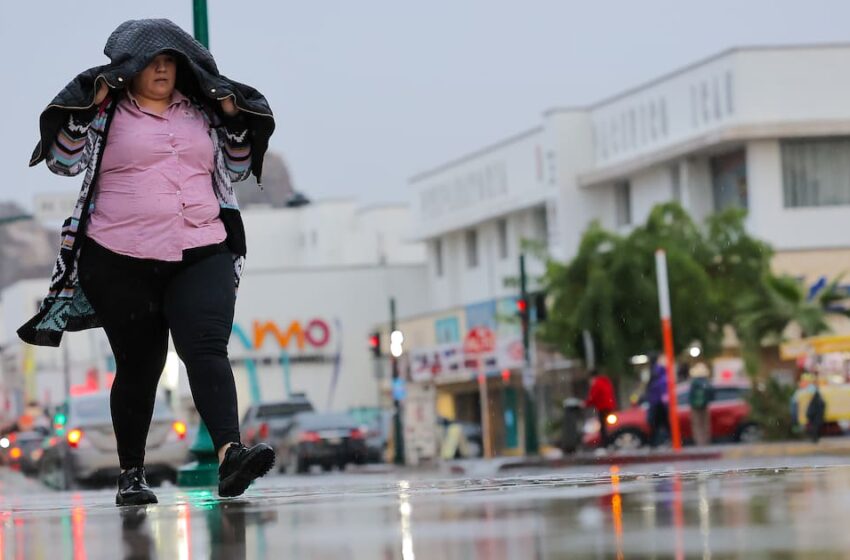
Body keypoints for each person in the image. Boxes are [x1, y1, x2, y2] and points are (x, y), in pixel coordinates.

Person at [18, 19, 277, 506]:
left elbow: (239, 166)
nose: (162, 68)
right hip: (120, 256)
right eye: (152, 60)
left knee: (205, 347)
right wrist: (85, 107)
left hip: (203, 247)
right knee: (140, 365)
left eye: (170, 60)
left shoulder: (201, 111)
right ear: (130, 68)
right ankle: (132, 473)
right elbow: (64, 161)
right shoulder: (107, 112)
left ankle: (230, 455)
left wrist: (234, 116)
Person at [584, 370, 617, 448]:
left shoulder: (597, 384)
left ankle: (605, 444)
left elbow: (593, 397)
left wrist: (585, 404)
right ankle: (610, 442)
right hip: (610, 406)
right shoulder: (605, 381)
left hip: (603, 407)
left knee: (603, 427)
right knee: (608, 426)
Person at [645, 355, 670, 448]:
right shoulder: (660, 374)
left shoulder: (656, 374)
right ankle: (657, 442)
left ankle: (654, 443)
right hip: (659, 404)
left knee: (656, 424)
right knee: (663, 424)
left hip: (657, 403)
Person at [688, 363, 715, 446]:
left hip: (695, 406)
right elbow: (712, 393)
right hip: (705, 405)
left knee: (697, 424)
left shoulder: (694, 382)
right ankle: (706, 441)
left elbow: (690, 395)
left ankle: (700, 442)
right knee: (705, 424)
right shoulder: (706, 382)